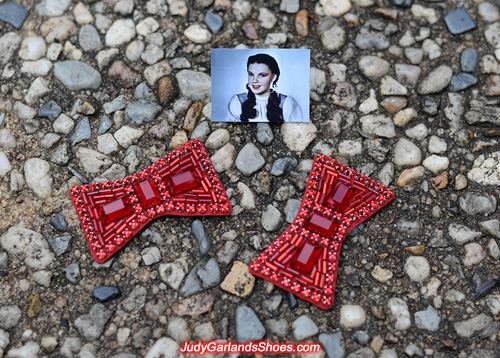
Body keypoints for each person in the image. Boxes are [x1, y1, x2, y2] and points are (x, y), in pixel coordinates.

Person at [227, 53, 303, 122]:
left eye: (262, 75)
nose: (254, 80)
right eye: (251, 74)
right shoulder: (238, 102)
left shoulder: (286, 103)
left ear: (273, 77)